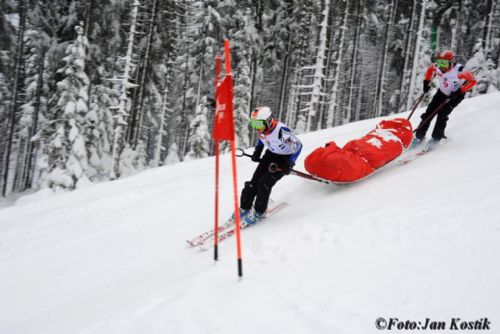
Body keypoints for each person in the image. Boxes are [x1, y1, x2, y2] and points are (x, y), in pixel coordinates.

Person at [238, 106, 302, 225]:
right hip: (270, 155)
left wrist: (290, 162)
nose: (256, 128)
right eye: (254, 124)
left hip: (284, 159)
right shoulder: (263, 129)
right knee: (254, 182)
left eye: (258, 124)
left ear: (268, 122)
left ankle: (259, 211)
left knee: (264, 183)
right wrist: (257, 151)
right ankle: (244, 208)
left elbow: (298, 146)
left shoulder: (281, 132)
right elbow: (262, 139)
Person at [414, 50, 477, 144]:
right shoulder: (437, 67)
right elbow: (430, 69)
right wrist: (426, 82)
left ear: (451, 62)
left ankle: (436, 139)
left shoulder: (460, 70)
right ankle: (419, 137)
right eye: (439, 62)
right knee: (429, 113)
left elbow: (473, 81)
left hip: (455, 96)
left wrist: (460, 91)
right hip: (442, 93)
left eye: (444, 63)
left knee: (442, 114)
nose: (441, 65)